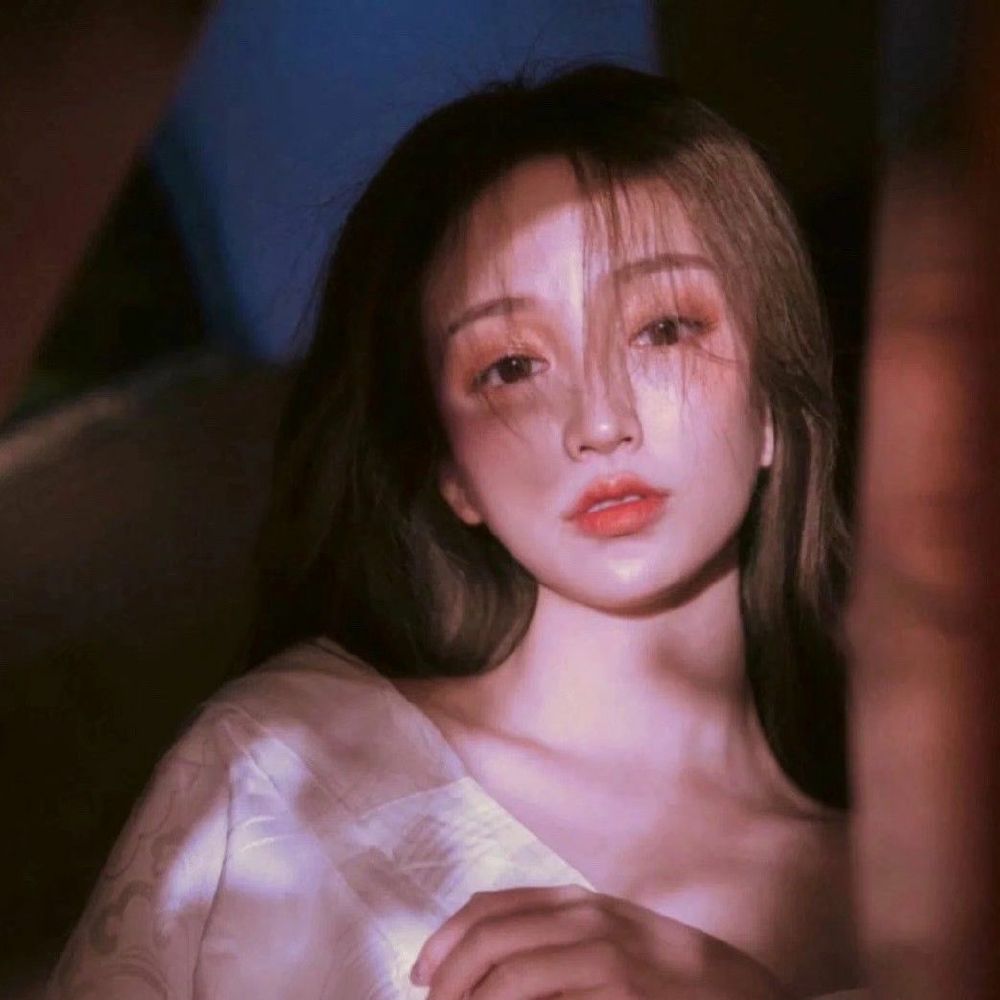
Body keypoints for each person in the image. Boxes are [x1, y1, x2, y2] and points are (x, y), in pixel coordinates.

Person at [47, 64, 864, 999]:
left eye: (664, 329)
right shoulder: (285, 776)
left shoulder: (937, 904)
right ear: (450, 470)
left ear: (776, 400)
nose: (600, 422)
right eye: (510, 366)